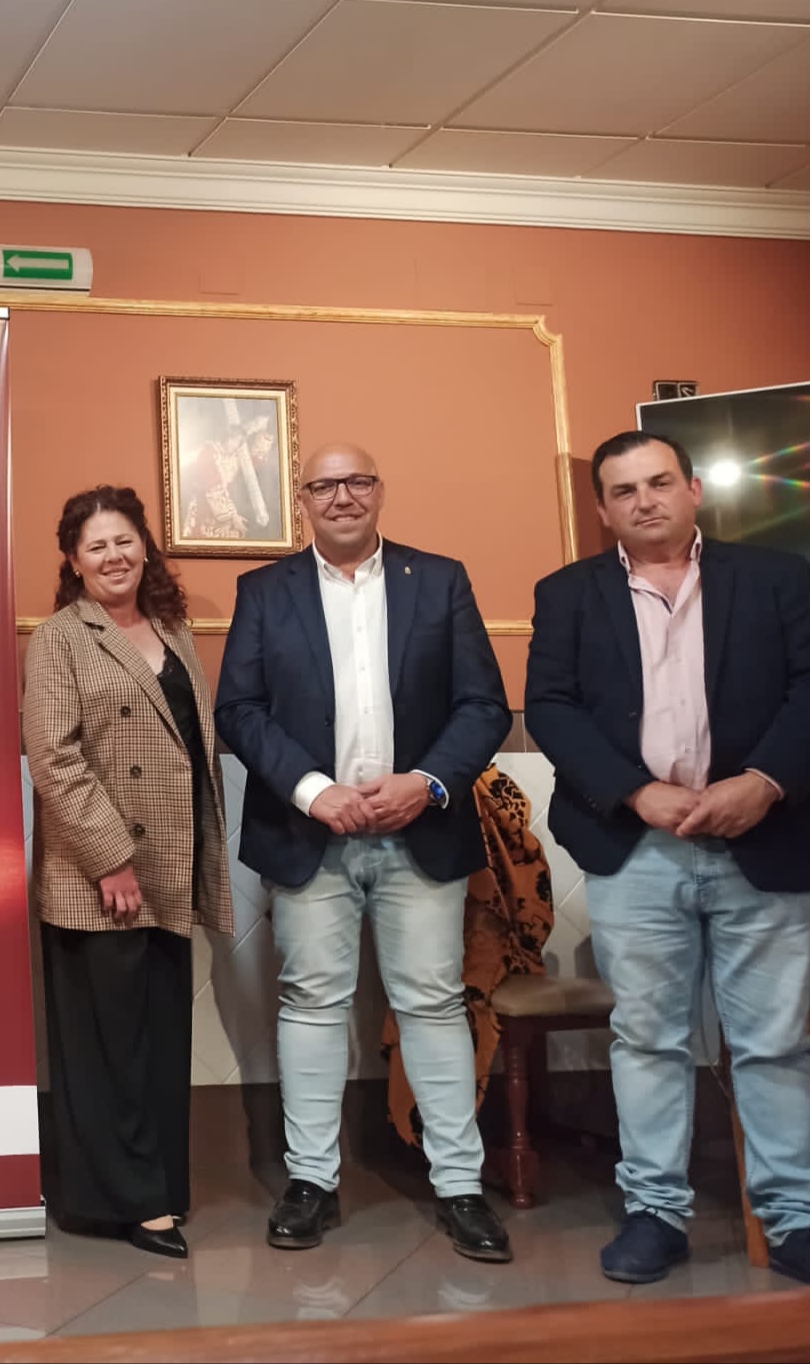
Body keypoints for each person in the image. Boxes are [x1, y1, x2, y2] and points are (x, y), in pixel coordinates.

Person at [525, 430, 810, 1287]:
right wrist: (634, 791)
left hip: (764, 838)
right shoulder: (568, 593)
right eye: (623, 490)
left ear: (694, 489)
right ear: (602, 508)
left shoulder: (779, 578)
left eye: (658, 482)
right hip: (636, 847)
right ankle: (655, 1212)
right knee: (647, 1036)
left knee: (773, 1042)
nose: (643, 500)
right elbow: (551, 706)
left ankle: (794, 1216)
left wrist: (764, 781)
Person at [215, 443, 513, 1262]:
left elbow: (484, 704)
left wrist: (428, 782)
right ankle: (311, 1181)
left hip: (421, 830)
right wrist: (314, 789)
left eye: (357, 481)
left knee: (433, 1004)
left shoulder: (440, 579)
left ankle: (460, 1186)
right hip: (308, 835)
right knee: (311, 1003)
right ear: (302, 499)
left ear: (380, 490)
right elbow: (238, 710)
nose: (341, 496)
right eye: (324, 484)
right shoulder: (264, 590)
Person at [23, 486, 235, 1259]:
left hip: (169, 867)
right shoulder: (59, 638)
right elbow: (54, 758)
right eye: (96, 546)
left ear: (145, 545)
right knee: (106, 1042)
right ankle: (123, 1200)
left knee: (159, 1035)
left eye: (124, 540)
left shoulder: (173, 627)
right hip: (97, 875)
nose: (113, 556)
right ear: (73, 561)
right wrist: (110, 857)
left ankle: (159, 1186)